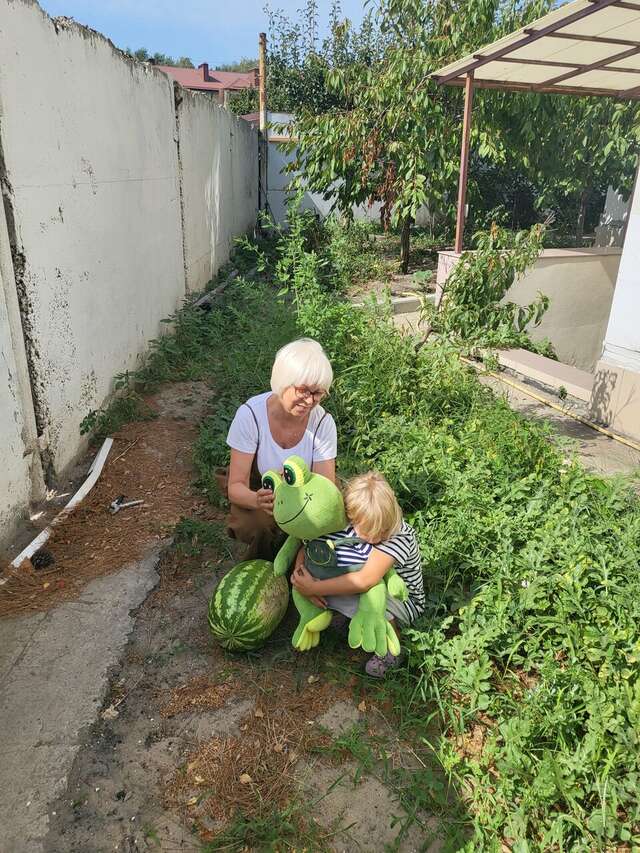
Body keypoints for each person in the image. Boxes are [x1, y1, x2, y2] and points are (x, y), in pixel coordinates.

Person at [291, 471, 425, 678]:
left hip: (403, 600)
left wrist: (313, 588)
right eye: (367, 531)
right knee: (335, 579)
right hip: (367, 583)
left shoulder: (398, 536)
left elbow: (365, 580)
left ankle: (390, 651)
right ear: (351, 516)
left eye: (382, 531)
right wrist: (301, 575)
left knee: (367, 596)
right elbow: (309, 545)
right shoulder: (349, 524)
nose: (375, 537)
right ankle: (347, 616)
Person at [222, 338, 337, 559]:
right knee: (258, 524)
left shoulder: (323, 423)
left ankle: (305, 563)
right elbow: (235, 487)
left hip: (304, 493)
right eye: (303, 390)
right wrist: (257, 499)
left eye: (318, 393)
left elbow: (325, 486)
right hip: (261, 490)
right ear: (283, 382)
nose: (310, 401)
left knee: (324, 519)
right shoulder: (251, 415)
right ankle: (262, 567)